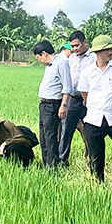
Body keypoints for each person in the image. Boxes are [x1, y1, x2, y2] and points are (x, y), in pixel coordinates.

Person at [77, 35, 112, 183]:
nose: (110, 52)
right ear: (97, 52)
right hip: (93, 120)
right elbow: (85, 95)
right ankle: (98, 184)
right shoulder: (87, 72)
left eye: (111, 49)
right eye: (106, 49)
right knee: (95, 157)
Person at [58, 31, 96, 167]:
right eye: (72, 46)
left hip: (89, 101)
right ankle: (62, 161)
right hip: (73, 99)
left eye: (77, 45)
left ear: (85, 42)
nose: (74, 49)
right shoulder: (71, 58)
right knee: (66, 130)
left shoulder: (94, 58)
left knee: (89, 132)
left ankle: (91, 160)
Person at [34, 40, 72, 169]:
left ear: (44, 53)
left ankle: (52, 167)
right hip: (44, 104)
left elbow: (67, 86)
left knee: (51, 137)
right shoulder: (49, 65)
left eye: (38, 57)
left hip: (53, 105)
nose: (39, 60)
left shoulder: (60, 63)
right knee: (43, 137)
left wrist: (64, 105)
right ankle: (46, 165)